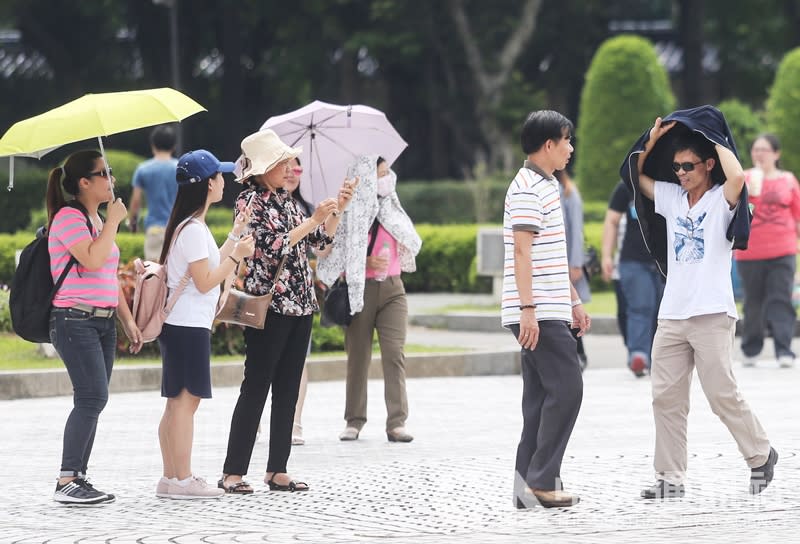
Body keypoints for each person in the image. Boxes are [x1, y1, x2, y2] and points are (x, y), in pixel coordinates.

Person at [635, 117, 778, 499]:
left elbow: (737, 178)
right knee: (665, 397)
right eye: (676, 166)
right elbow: (638, 177)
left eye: (688, 166)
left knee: (720, 394)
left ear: (707, 165)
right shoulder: (671, 197)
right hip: (672, 315)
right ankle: (670, 478)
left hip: (713, 313)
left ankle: (761, 454)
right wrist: (650, 141)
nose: (680, 173)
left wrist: (712, 137)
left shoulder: (721, 200)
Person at [219, 129, 355, 494]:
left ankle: (277, 469)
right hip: (270, 306)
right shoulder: (250, 201)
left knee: (288, 387)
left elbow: (320, 244)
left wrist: (335, 211)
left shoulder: (287, 200)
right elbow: (272, 245)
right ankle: (233, 472)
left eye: (290, 162)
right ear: (264, 167)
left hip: (300, 304)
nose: (291, 168)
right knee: (257, 385)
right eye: (283, 162)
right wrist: (312, 221)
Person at [155, 150, 255, 500]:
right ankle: (183, 479)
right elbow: (205, 281)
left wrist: (235, 235)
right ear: (208, 184)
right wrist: (238, 256)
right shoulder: (194, 230)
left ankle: (170, 478)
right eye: (219, 176)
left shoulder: (188, 226)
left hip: (180, 325)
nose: (224, 181)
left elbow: (208, 266)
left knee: (176, 401)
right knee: (186, 402)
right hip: (187, 326)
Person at [502, 111, 589, 509]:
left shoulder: (546, 185)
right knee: (568, 389)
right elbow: (522, 253)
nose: (571, 148)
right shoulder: (526, 189)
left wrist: (573, 299)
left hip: (551, 306)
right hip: (537, 310)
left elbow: (549, 255)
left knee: (539, 400)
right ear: (548, 145)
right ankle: (541, 480)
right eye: (566, 140)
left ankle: (526, 489)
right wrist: (528, 309)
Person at [46, 150, 143, 505]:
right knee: (92, 397)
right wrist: (115, 222)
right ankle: (67, 480)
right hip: (74, 319)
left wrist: (128, 320)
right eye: (104, 173)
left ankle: (79, 476)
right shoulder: (68, 218)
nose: (110, 179)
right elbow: (92, 258)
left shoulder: (98, 219)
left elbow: (107, 275)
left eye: (110, 171)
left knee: (94, 400)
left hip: (101, 322)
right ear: (84, 182)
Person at [317, 155, 422, 443]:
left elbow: (411, 241)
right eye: (380, 173)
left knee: (394, 354)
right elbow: (338, 251)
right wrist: (365, 262)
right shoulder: (352, 214)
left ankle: (397, 422)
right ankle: (354, 420)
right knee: (358, 355)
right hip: (358, 288)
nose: (386, 178)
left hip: (393, 288)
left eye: (388, 172)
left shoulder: (392, 207)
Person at [734, 133, 800, 369]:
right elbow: (730, 207)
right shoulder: (743, 176)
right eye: (755, 150)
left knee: (781, 299)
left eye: (764, 150)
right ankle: (751, 348)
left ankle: (784, 349)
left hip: (783, 249)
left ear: (776, 154)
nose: (759, 154)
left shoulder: (788, 180)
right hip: (750, 250)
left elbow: (798, 215)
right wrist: (744, 188)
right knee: (753, 301)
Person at [602, 181, 665, 377]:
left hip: (666, 262)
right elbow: (611, 220)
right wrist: (606, 255)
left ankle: (660, 358)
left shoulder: (671, 183)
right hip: (634, 261)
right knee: (640, 307)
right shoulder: (626, 187)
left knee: (665, 314)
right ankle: (639, 355)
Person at [285, 157, 313, 446]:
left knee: (299, 362)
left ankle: (295, 421)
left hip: (301, 296)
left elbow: (323, 247)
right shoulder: (263, 206)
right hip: (270, 297)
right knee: (264, 365)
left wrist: (336, 212)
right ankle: (257, 420)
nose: (292, 174)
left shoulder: (306, 209)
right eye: (287, 168)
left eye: (297, 169)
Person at [555, 168, 591, 371]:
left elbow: (577, 230)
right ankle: (574, 353)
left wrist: (576, 263)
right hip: (557, 263)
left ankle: (579, 354)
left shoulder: (570, 192)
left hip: (568, 262)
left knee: (572, 311)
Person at [128, 124, 179, 260]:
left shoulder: (143, 169)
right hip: (177, 229)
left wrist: (133, 223)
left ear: (153, 145)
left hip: (154, 229)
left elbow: (136, 201)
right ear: (174, 146)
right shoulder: (180, 168)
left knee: (153, 274)